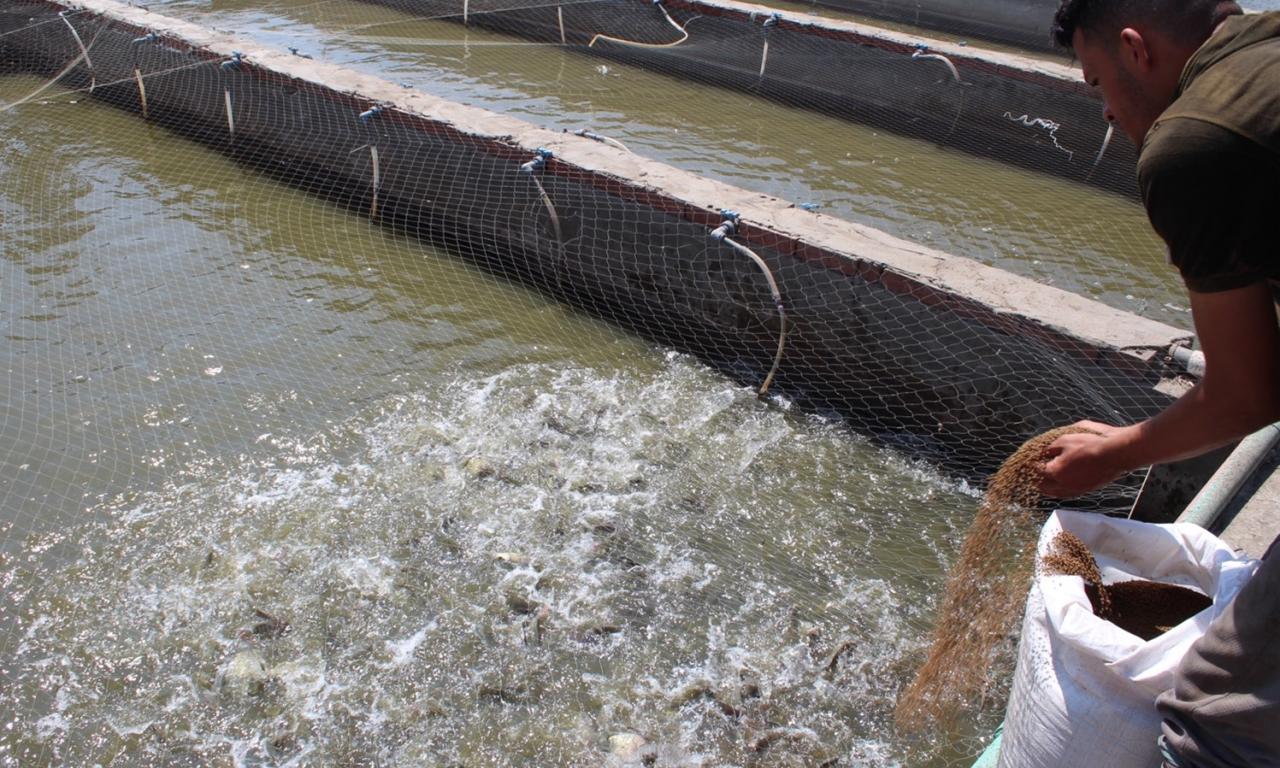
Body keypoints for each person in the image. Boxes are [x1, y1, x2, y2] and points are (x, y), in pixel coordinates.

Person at [1042, 1, 1280, 765]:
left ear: (1137, 50)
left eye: (1097, 81)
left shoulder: (1191, 144)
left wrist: (1114, 452)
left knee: (1212, 717)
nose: (1107, 111)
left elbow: (1249, 394)